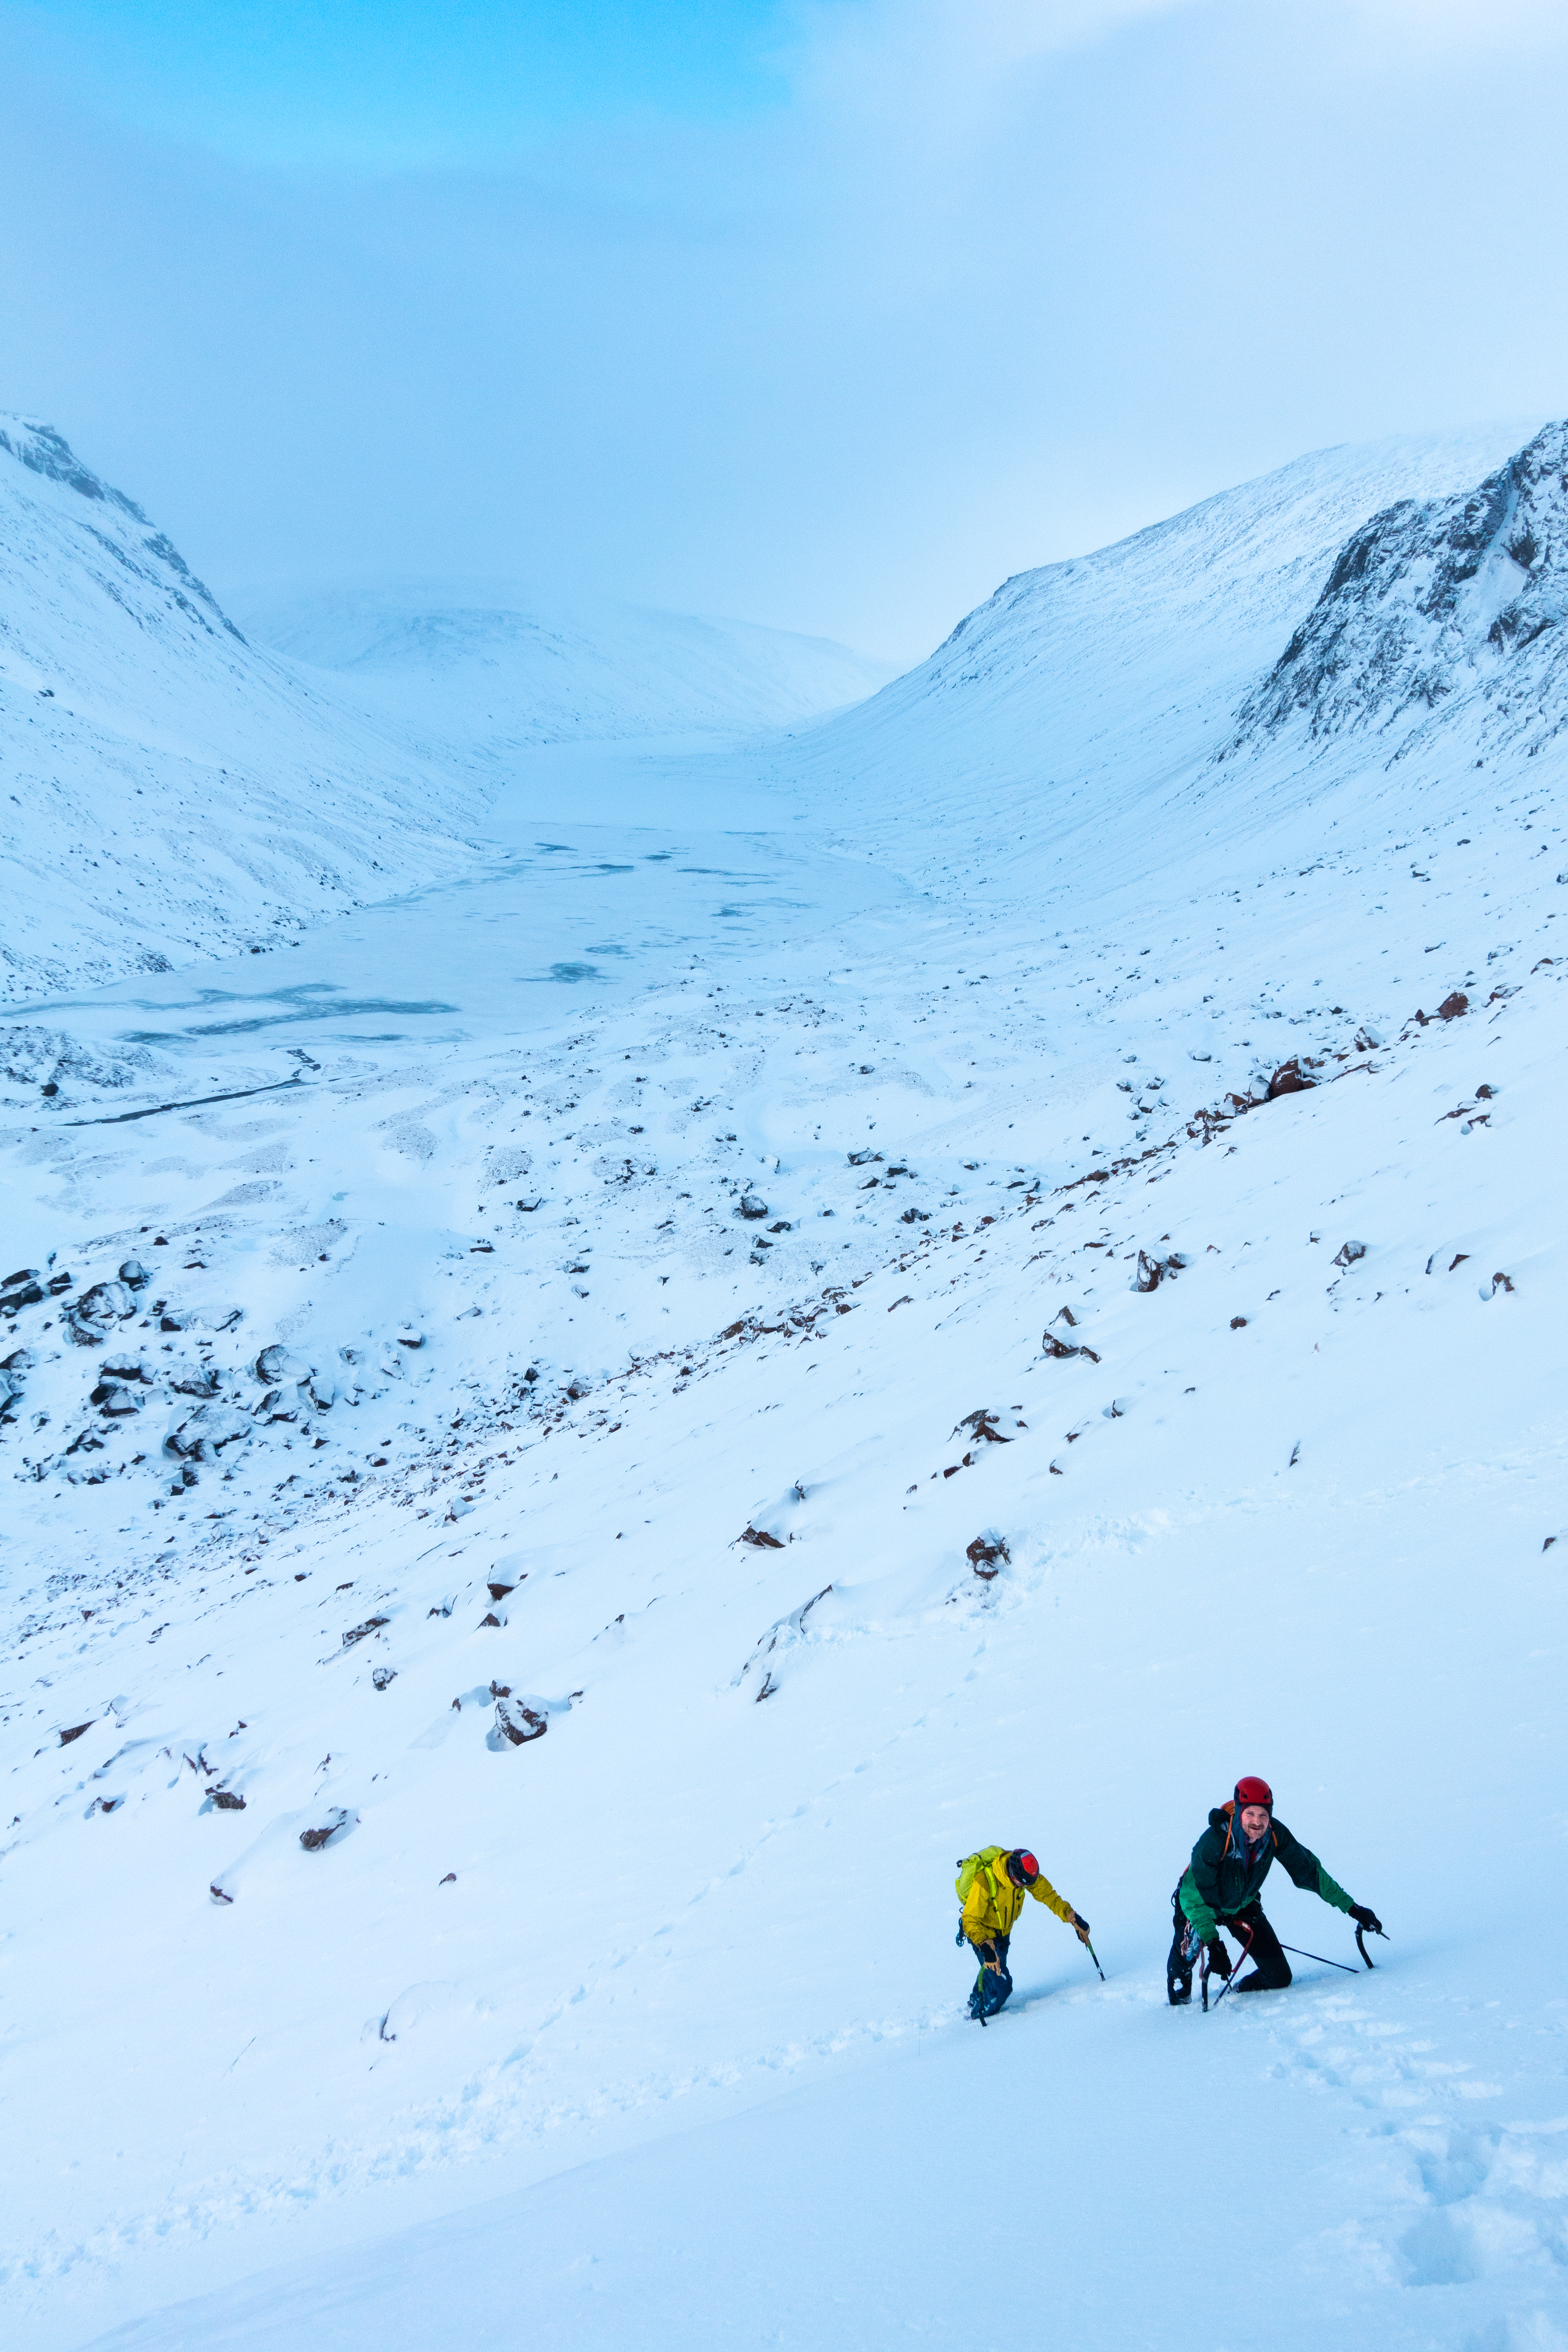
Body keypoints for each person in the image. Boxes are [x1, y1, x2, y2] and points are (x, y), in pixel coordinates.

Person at [1167, 1776, 1382, 2004]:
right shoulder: (1216, 1841)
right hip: (1199, 1906)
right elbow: (1192, 1896)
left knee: (1279, 1976)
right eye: (1250, 1814)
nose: (1257, 1822)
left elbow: (1310, 1872)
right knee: (1184, 1965)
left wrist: (1353, 1909)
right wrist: (1213, 1943)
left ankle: (1238, 1992)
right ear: (1239, 1812)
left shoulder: (1275, 1835)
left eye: (1263, 1815)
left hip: (1242, 1905)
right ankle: (1179, 2007)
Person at [956, 1845, 1092, 2022]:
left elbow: (1048, 1896)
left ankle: (974, 2000)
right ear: (1013, 1875)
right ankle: (977, 2014)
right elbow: (970, 1919)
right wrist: (985, 1947)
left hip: (1003, 1933)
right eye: (1023, 1884)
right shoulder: (985, 1880)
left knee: (995, 1970)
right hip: (982, 1935)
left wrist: (1071, 1916)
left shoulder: (1025, 1874)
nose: (1027, 1887)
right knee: (1002, 1986)